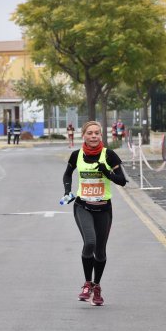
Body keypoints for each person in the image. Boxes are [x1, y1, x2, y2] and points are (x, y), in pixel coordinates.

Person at [62, 121, 127, 306]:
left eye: (97, 133)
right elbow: (67, 175)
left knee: (100, 251)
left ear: (101, 135)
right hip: (82, 206)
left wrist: (106, 172)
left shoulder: (109, 155)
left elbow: (122, 181)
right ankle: (87, 283)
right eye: (89, 133)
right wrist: (67, 190)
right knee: (89, 242)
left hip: (104, 208)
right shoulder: (77, 155)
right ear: (83, 135)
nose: (93, 136)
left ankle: (96, 286)